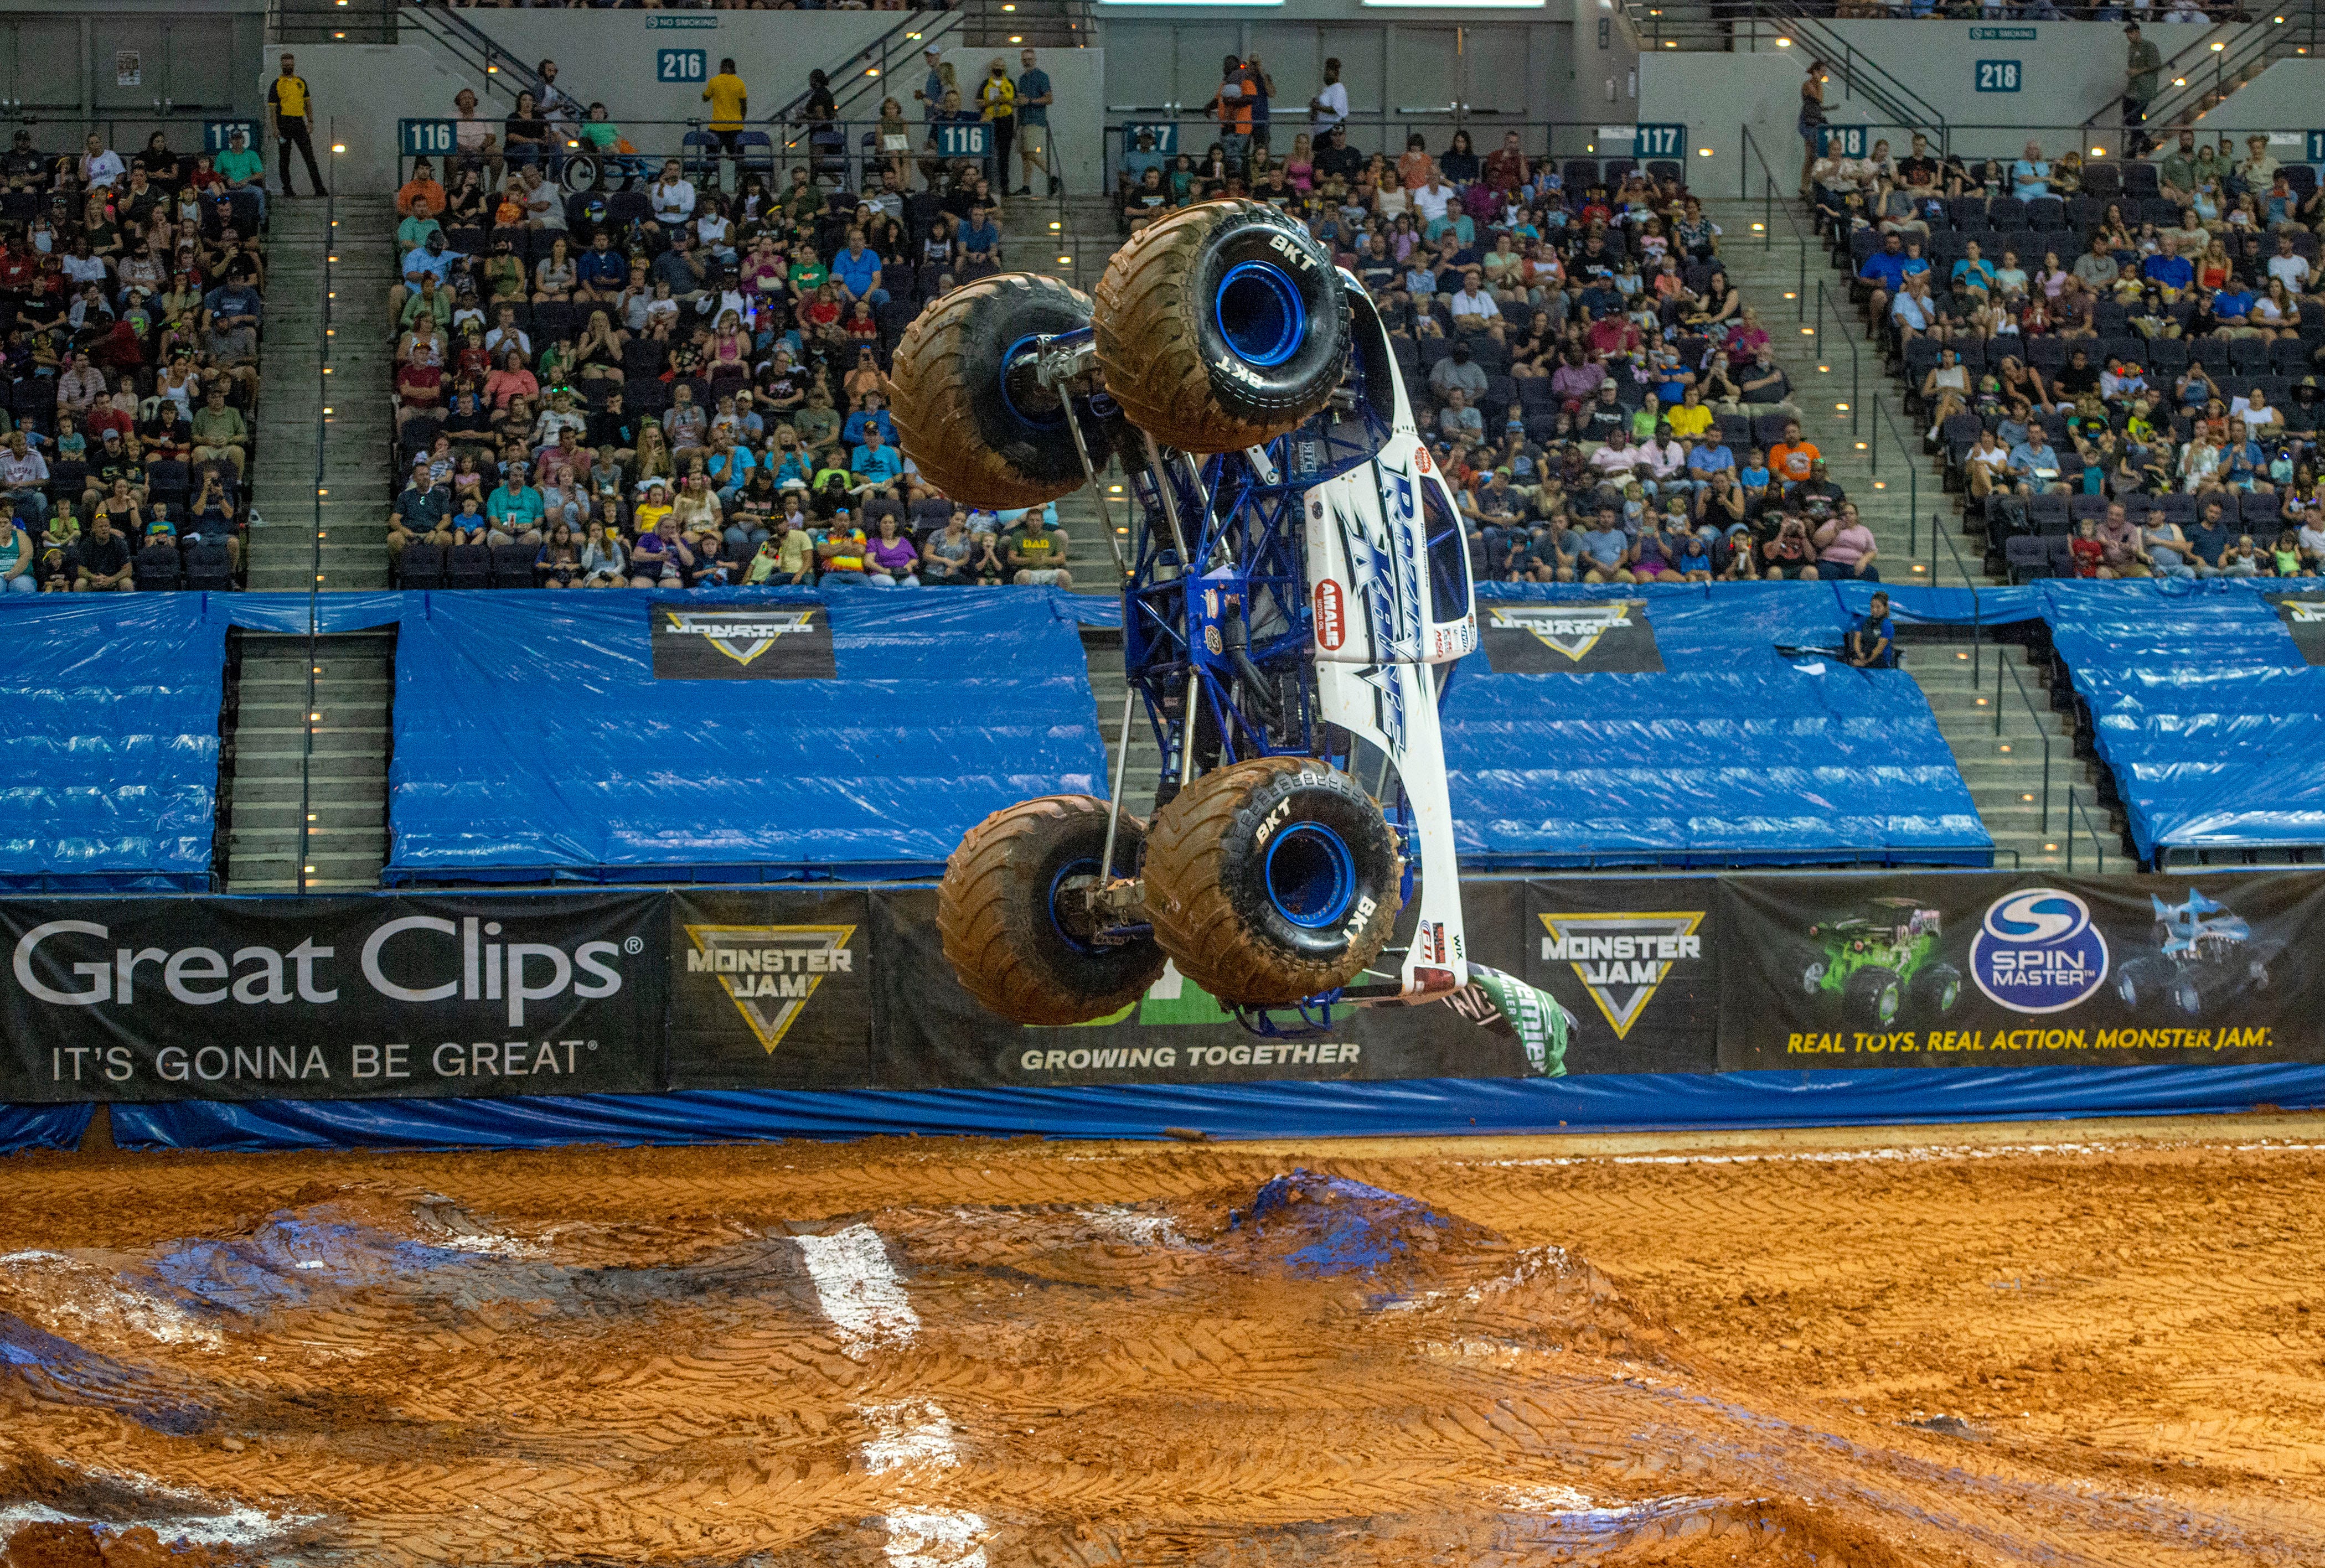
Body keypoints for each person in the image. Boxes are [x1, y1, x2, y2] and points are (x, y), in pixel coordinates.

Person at [268, 52, 327, 198]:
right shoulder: (276, 84)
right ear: (282, 66)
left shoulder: (300, 83)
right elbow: (273, 109)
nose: (288, 67)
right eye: (286, 65)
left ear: (294, 65)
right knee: (284, 159)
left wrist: (310, 121)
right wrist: (275, 128)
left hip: (299, 123)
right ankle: (287, 189)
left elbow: (308, 103)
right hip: (284, 124)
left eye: (290, 65)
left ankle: (319, 188)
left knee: (309, 157)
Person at [1014, 49, 1055, 197]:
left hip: (1035, 120)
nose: (1027, 61)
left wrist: (1031, 101)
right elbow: (1021, 102)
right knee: (1025, 156)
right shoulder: (1022, 78)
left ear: (1035, 59)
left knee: (1031, 152)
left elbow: (1049, 99)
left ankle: (1053, 177)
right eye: (1025, 59)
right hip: (1024, 120)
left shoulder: (1041, 77)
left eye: (1030, 59)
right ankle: (1026, 186)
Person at [1004, 506, 1071, 587]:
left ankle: (1060, 599)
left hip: (1048, 571)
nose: (1035, 523)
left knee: (1064, 575)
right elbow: (1011, 559)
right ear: (1027, 522)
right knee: (1024, 576)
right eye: (1032, 521)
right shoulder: (1018, 536)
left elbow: (1062, 559)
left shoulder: (1052, 536)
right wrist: (1030, 560)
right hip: (1028, 571)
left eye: (1038, 520)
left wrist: (1046, 560)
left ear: (1043, 522)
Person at [701, 58, 748, 167]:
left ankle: (704, 182)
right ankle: (741, 182)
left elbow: (705, 98)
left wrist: (705, 94)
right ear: (734, 68)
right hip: (735, 127)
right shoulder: (739, 83)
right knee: (738, 161)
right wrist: (741, 121)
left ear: (722, 68)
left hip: (717, 127)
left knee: (711, 160)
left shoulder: (714, 81)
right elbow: (744, 105)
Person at [72, 511, 134, 593]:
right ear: (94, 529)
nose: (104, 529)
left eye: (106, 526)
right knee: (80, 584)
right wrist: (95, 578)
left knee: (127, 583)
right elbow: (81, 571)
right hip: (94, 581)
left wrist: (111, 580)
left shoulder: (119, 543)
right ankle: (82, 606)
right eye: (101, 527)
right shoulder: (86, 544)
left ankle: (127, 606)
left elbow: (128, 570)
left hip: (114, 581)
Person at [2122, 23, 2161, 143]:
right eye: (2128, 33)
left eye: (2131, 33)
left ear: (2138, 32)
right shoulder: (2131, 48)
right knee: (2129, 118)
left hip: (2145, 88)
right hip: (2133, 87)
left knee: (2134, 118)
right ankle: (2145, 143)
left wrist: (2137, 71)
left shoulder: (2148, 46)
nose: (2129, 36)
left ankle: (2137, 145)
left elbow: (2155, 64)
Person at [1844, 592, 1895, 669]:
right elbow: (1857, 640)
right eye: (1872, 607)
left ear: (1885, 608)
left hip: (1880, 662)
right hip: (1863, 656)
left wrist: (1866, 663)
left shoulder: (1887, 625)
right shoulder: (1863, 621)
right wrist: (1859, 654)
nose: (1875, 610)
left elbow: (1879, 649)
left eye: (1878, 607)